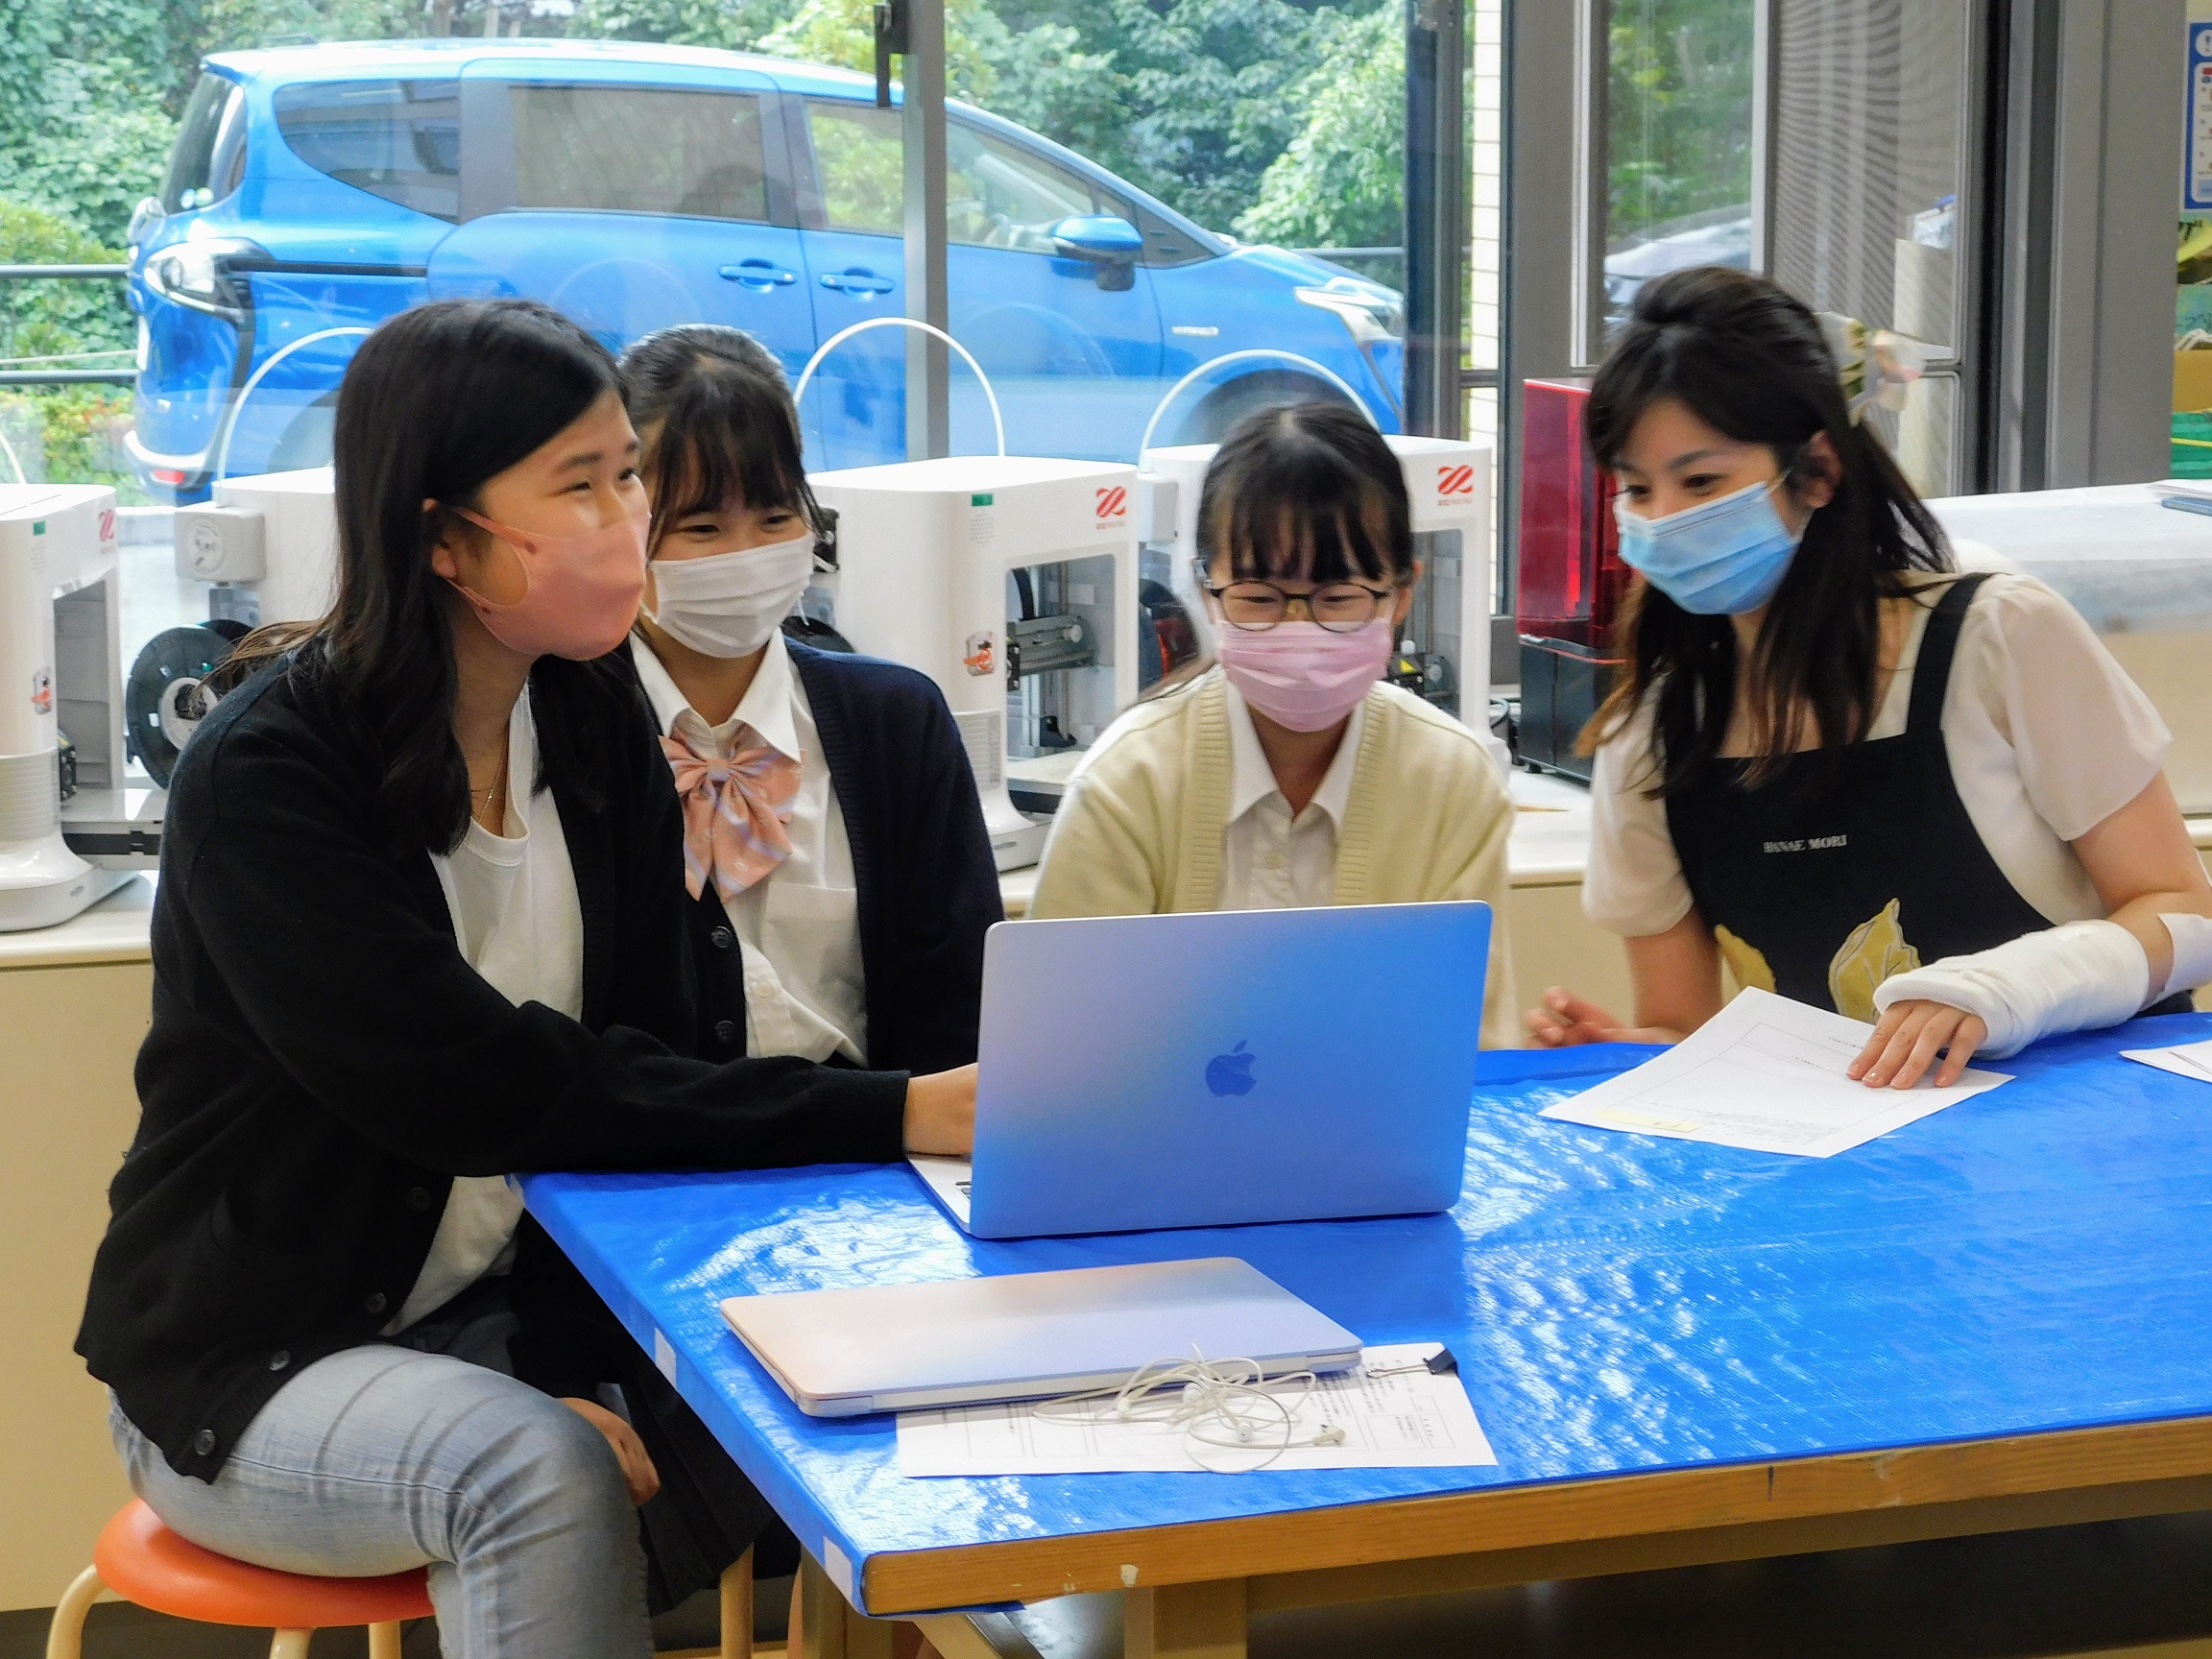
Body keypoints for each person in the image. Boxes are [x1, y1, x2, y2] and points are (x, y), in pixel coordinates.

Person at [74, 298, 974, 1659]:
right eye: (584, 485)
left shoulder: (591, 710)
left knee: (857, 1388)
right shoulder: (269, 777)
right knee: (534, 1472)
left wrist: (567, 1362)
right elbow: (484, 1092)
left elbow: (650, 1057)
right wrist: (896, 1109)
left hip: (489, 1320)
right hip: (256, 1361)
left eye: (628, 475)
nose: (627, 519)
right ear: (442, 535)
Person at [1526, 266, 2212, 1087]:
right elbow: (1689, 1029)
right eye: (1637, 489)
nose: (1664, 520)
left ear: (1818, 470)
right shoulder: (1653, 736)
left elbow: (2188, 914)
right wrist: (1631, 1050)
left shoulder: (1997, 637)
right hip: (1860, 1179)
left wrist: (2006, 989)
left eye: (1702, 482)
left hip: (2087, 1135)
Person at [609, 323, 1000, 1622]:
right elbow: (602, 1067)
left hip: (890, 1213)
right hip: (652, 1216)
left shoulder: (892, 723)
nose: (740, 553)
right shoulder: (566, 735)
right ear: (624, 531)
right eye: (695, 524)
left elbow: (965, 1028)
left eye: (770, 513)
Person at [1028, 401, 1519, 1046]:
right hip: (1153, 1145)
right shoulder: (1128, 782)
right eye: (1259, 598)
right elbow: (1057, 1052)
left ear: (1402, 595)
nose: (1298, 630)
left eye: (1337, 598)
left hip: (1376, 1146)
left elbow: (1470, 1055)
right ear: (1208, 592)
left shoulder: (1451, 780)